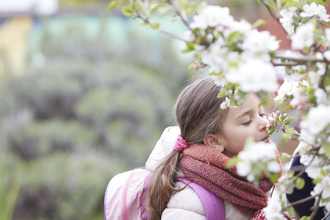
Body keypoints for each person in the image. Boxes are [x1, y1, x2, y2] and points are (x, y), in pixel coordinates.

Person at [144, 77, 277, 220]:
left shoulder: (265, 176)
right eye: (247, 121)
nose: (265, 123)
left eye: (262, 113)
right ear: (214, 141)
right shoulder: (191, 202)